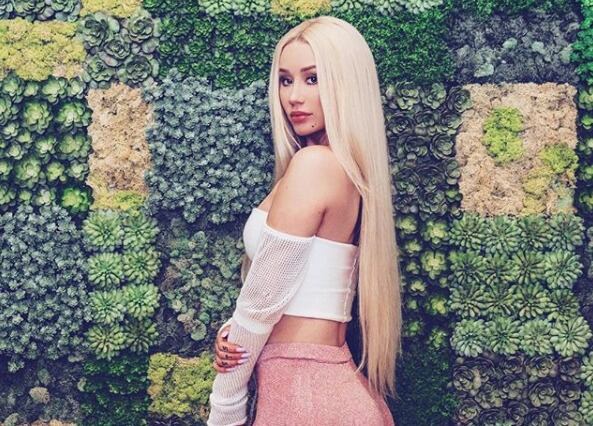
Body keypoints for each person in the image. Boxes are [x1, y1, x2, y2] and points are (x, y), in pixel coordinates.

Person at [207, 15, 402, 426]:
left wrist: (225, 411)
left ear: (346, 85)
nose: (294, 96)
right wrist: (235, 334)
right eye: (285, 80)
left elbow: (262, 302)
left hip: (307, 393)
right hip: (317, 386)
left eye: (312, 79)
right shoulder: (336, 167)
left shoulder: (315, 165)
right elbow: (289, 290)